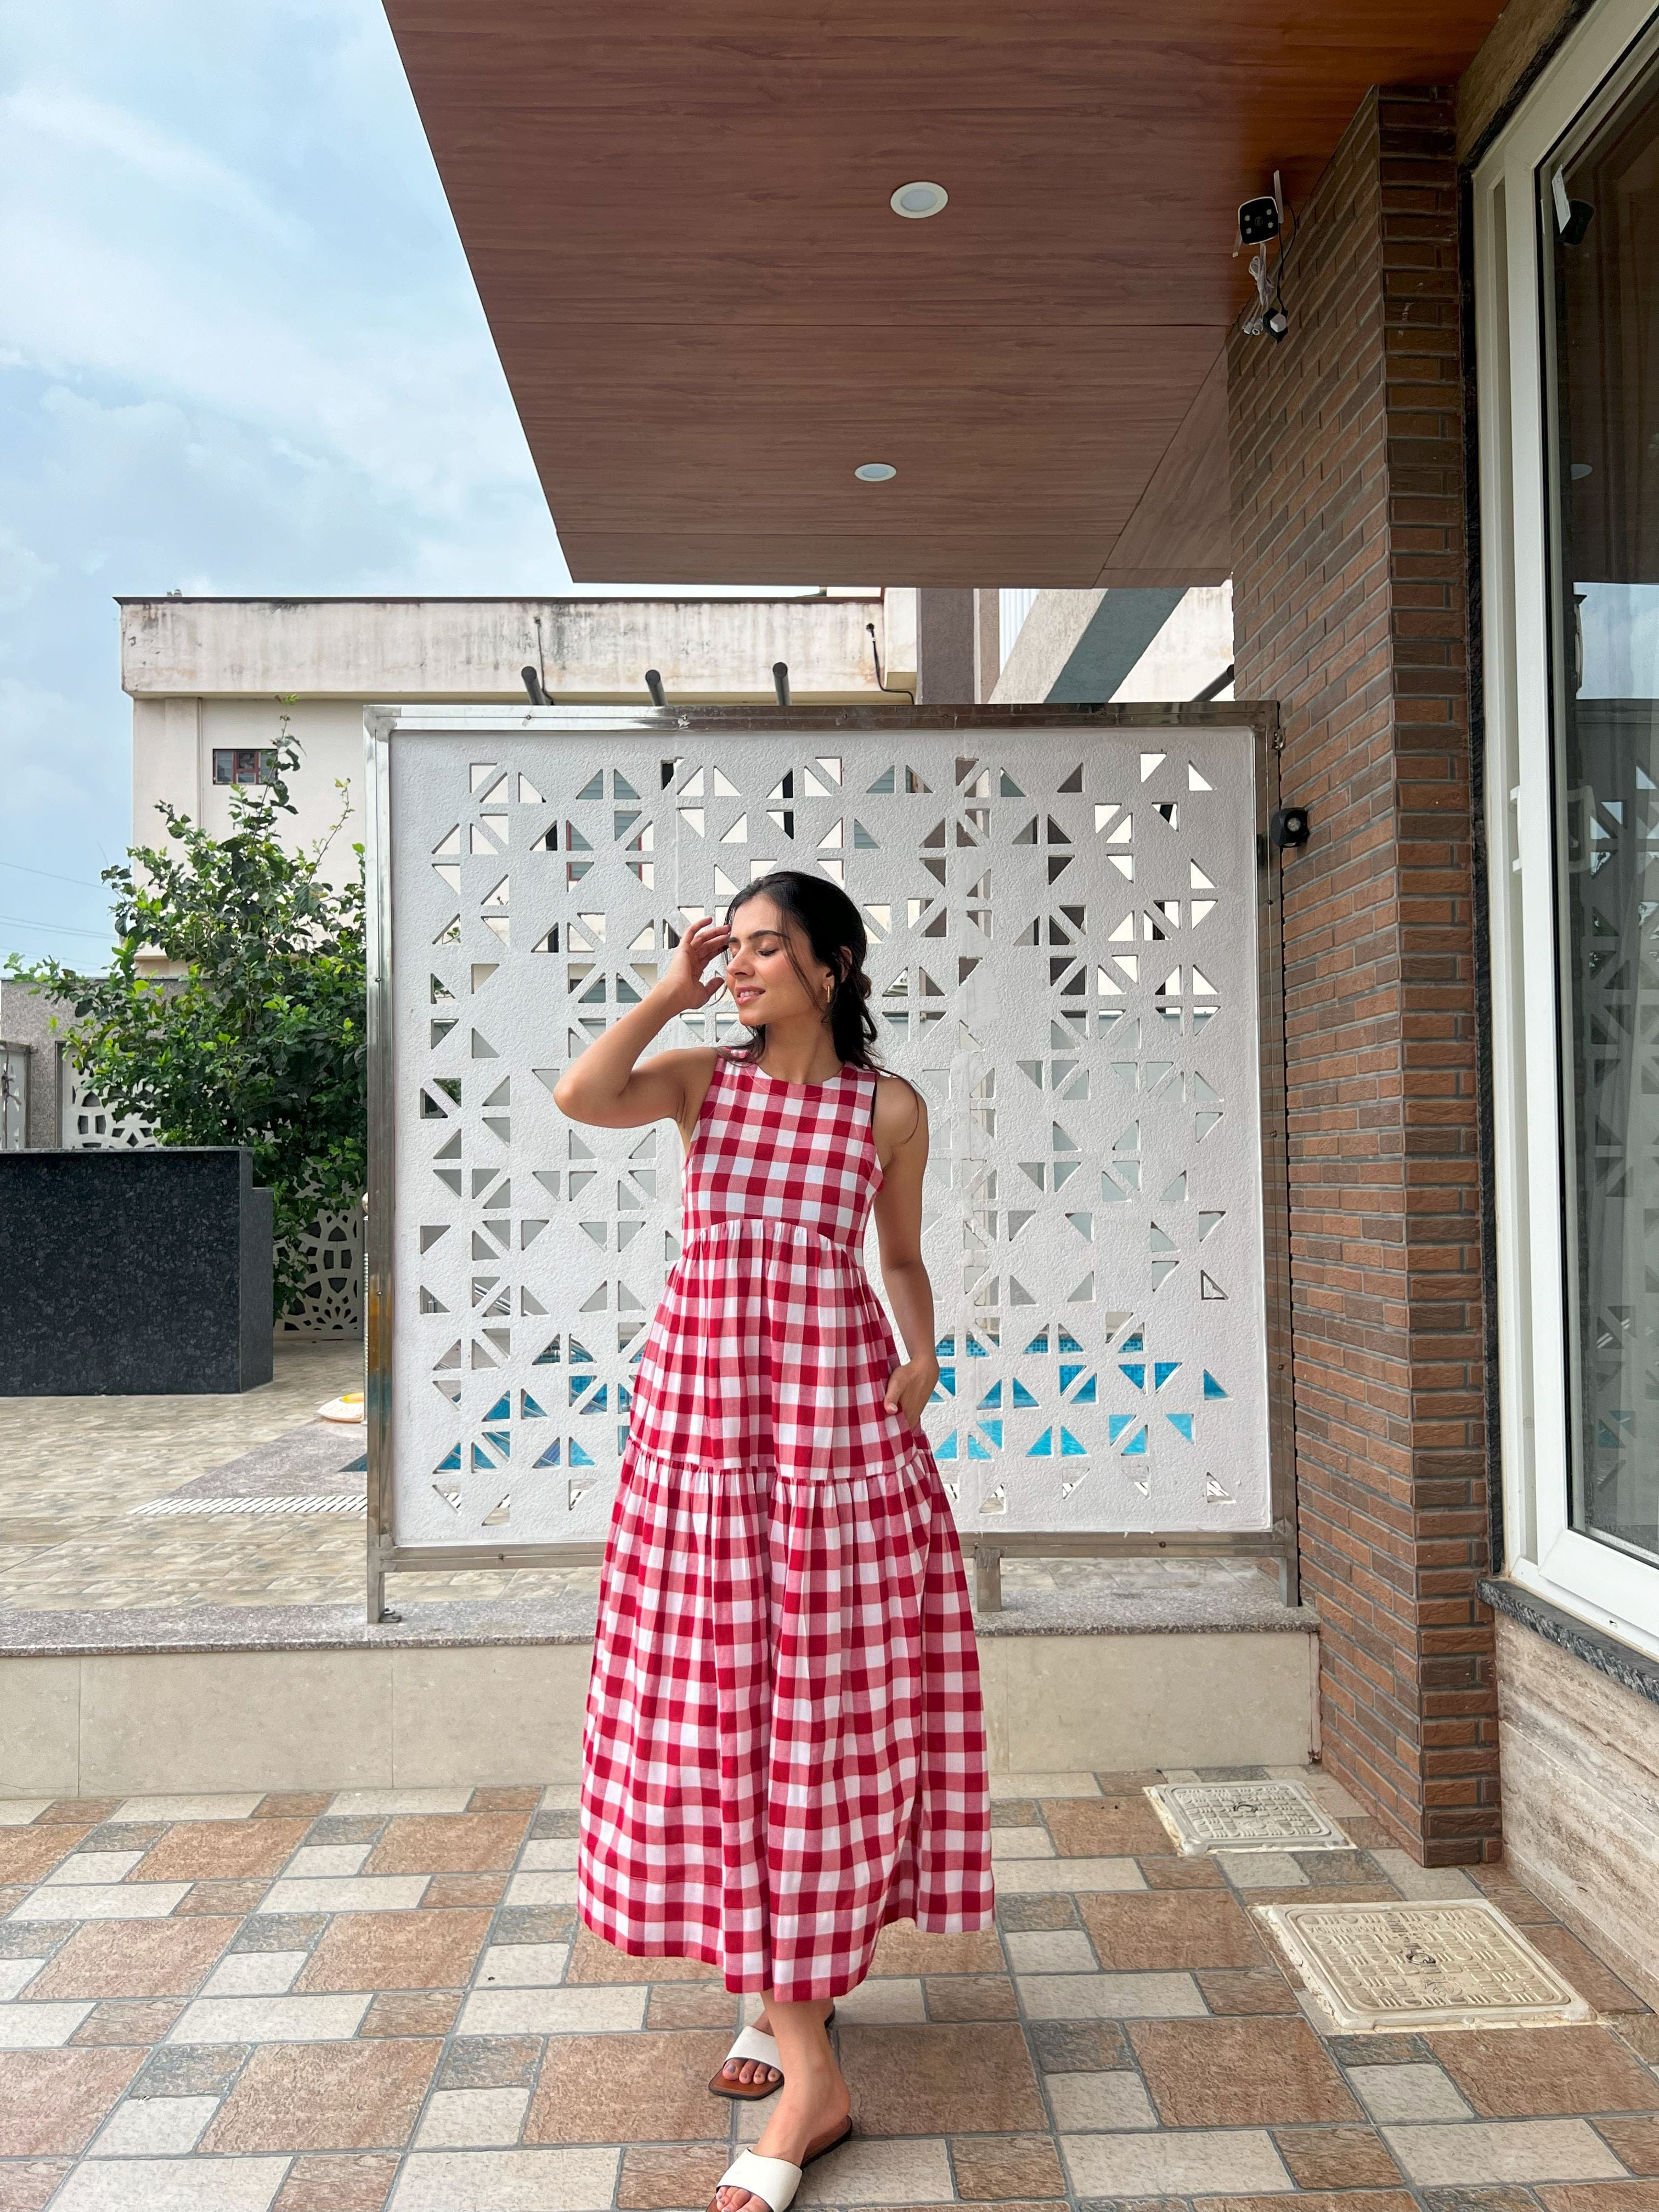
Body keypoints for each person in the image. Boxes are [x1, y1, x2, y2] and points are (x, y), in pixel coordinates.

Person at [554, 869, 994, 2212]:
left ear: (834, 963)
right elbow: (581, 1096)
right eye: (726, 949)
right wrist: (664, 994)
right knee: (717, 1706)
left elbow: (901, 1257)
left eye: (761, 949)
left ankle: (804, 2064)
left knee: (811, 1714)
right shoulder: (703, 1081)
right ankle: (790, 2022)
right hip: (703, 1439)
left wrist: (926, 1356)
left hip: (829, 1441)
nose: (737, 968)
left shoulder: (888, 1108)